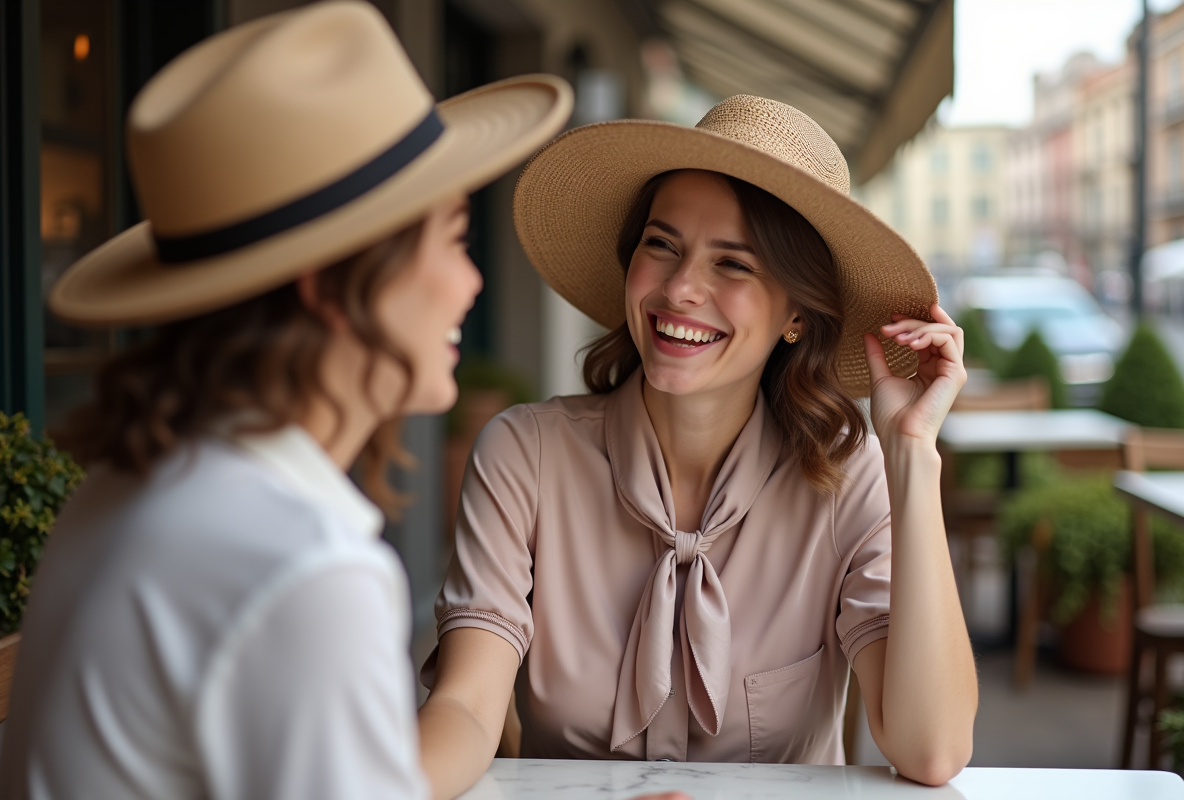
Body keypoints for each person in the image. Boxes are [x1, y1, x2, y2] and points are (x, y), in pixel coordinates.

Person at [0, 3, 572, 798]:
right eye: (452, 240)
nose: (472, 281)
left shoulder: (130, 490)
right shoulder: (302, 568)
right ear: (335, 287)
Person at [418, 95, 978, 796]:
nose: (681, 289)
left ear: (797, 314)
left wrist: (911, 457)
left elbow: (931, 751)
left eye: (734, 265)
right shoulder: (524, 456)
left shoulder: (846, 479)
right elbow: (467, 706)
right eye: (662, 245)